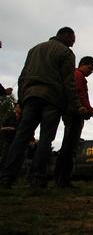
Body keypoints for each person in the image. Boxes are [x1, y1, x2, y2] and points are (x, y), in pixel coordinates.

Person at [0, 27, 87, 189]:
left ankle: (7, 177)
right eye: (73, 39)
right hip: (52, 100)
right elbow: (69, 83)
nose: (73, 43)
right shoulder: (66, 53)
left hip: (30, 98)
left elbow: (22, 77)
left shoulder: (34, 49)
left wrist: (20, 102)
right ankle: (37, 178)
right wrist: (77, 106)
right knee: (46, 138)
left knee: (21, 137)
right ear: (66, 36)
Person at [54, 56, 93, 188]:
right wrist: (91, 111)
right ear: (83, 65)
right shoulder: (78, 76)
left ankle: (61, 179)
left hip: (73, 113)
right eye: (90, 68)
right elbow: (80, 96)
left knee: (68, 146)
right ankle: (63, 180)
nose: (91, 71)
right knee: (69, 147)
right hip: (74, 114)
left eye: (92, 70)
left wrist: (89, 111)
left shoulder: (76, 76)